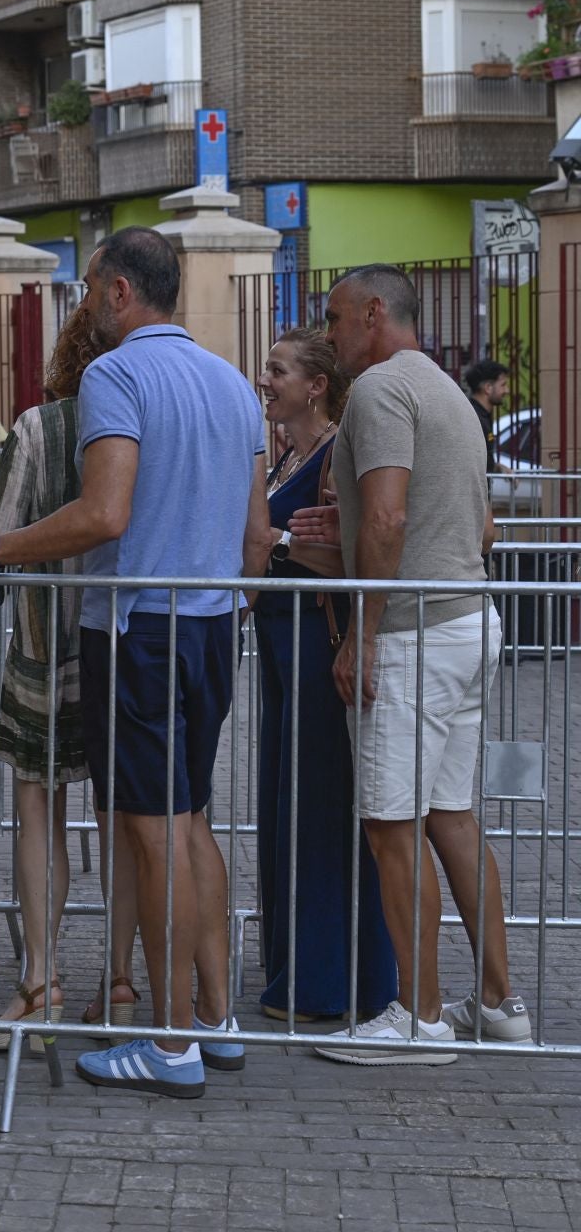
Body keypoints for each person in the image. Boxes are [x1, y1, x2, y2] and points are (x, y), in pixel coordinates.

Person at [0, 228, 274, 1098]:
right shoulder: (233, 383)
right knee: (189, 820)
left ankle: (168, 1044)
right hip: (209, 626)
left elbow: (103, 514)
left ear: (121, 292)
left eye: (87, 288)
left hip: (137, 629)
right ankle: (214, 1020)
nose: (82, 304)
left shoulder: (116, 376)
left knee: (153, 835)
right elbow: (256, 539)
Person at [288, 266, 532, 1064]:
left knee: (392, 824)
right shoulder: (450, 392)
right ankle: (497, 1004)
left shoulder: (382, 391)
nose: (327, 335)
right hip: (468, 621)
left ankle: (420, 1017)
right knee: (452, 819)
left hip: (415, 637)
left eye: (333, 319)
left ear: (371, 313)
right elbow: (477, 525)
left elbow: (388, 516)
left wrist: (363, 631)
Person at [0, 294, 143, 1052]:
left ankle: (41, 984)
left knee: (40, 812)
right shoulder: (144, 420)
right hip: (130, 642)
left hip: (44, 650)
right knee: (126, 818)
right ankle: (122, 983)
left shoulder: (40, 429)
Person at [251, 326, 397, 1023]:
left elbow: (344, 552)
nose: (265, 381)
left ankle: (332, 982)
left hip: (319, 638)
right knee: (285, 804)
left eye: (278, 370)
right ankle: (291, 969)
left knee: (319, 807)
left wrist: (275, 543)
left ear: (316, 385)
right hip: (280, 643)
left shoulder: (337, 452)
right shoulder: (282, 460)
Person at [463, 359, 509, 474]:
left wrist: (498, 467)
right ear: (488, 388)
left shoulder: (480, 415)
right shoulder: (474, 418)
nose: (506, 391)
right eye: (503, 385)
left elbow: (483, 461)